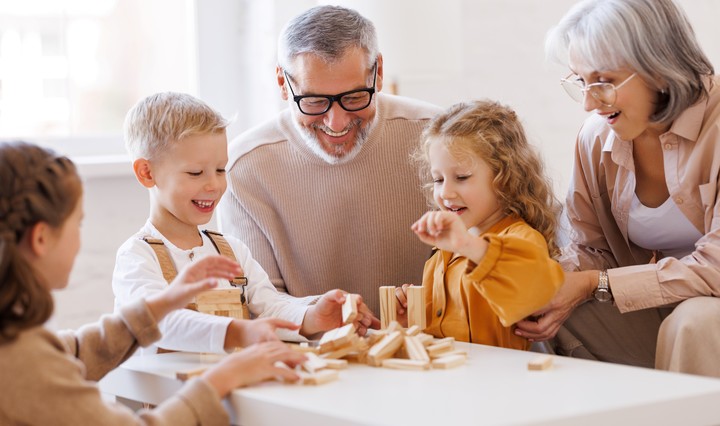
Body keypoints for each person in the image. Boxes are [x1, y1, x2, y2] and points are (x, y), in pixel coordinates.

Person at [0, 141, 307, 425]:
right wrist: (220, 380)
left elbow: (74, 351)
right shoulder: (21, 363)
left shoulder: (20, 342)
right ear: (41, 238)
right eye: (78, 223)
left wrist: (161, 304)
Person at [514, 0, 720, 376]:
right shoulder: (597, 138)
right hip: (662, 308)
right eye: (581, 82)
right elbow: (591, 246)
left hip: (705, 312)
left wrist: (599, 282)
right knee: (551, 311)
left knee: (694, 320)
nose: (590, 103)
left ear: (658, 67)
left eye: (603, 82)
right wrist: (543, 279)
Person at [216, 5, 442, 316]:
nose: (336, 123)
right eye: (315, 101)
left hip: (436, 350)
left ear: (378, 72)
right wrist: (316, 315)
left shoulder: (438, 137)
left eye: (353, 97)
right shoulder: (244, 169)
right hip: (313, 358)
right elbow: (257, 300)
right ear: (283, 83)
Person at [113, 92, 377, 356]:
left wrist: (312, 317)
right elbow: (157, 321)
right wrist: (237, 332)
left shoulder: (232, 250)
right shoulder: (137, 257)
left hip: (231, 393)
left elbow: (270, 306)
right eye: (195, 173)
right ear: (147, 173)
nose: (214, 185)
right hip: (173, 398)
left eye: (220, 170)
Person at [394, 100, 564, 350]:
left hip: (498, 383)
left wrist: (469, 245)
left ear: (504, 177)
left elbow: (535, 291)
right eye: (438, 179)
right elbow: (442, 337)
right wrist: (412, 320)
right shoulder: (442, 255)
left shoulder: (521, 238)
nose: (446, 193)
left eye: (461, 177)